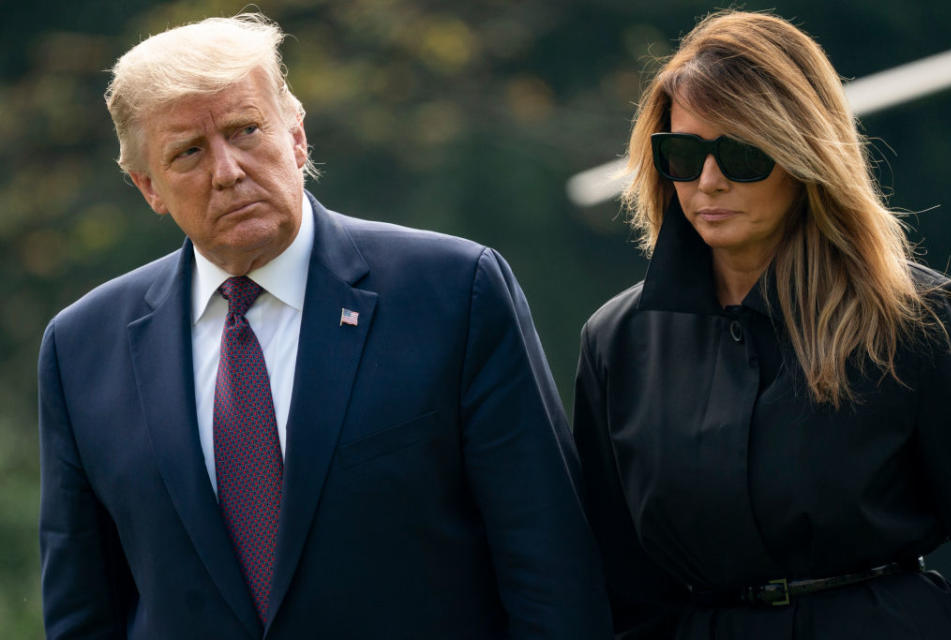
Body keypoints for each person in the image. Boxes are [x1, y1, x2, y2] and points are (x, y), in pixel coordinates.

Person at [37, 13, 612, 639]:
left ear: (298, 137)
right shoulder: (80, 349)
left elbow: (551, 571)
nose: (227, 171)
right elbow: (83, 609)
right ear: (148, 186)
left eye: (246, 130)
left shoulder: (453, 291)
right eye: (189, 152)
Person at [574, 10, 951, 639]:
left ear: (803, 156)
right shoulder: (617, 341)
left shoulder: (912, 322)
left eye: (742, 154)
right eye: (683, 152)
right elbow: (615, 577)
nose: (708, 180)